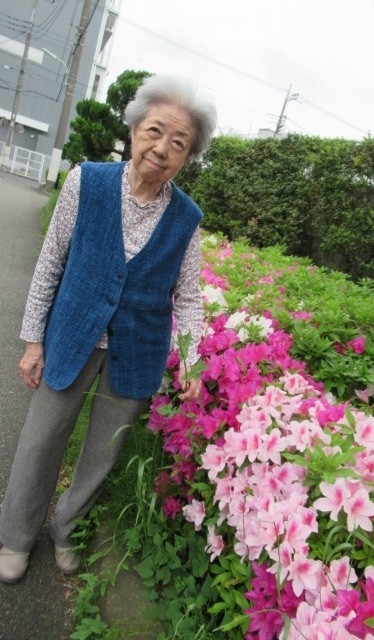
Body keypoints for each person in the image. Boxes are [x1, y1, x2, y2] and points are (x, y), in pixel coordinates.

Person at [0, 75, 217, 583]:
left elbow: (188, 296)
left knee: (102, 453)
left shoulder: (187, 218)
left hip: (137, 350)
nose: (161, 148)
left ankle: (66, 529)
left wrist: (192, 357)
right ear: (135, 128)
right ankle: (15, 537)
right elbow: (51, 263)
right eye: (155, 130)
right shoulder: (86, 181)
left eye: (179, 142)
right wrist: (33, 340)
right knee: (40, 442)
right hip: (72, 335)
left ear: (187, 157)